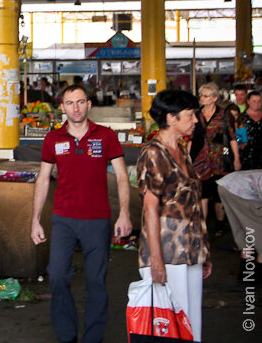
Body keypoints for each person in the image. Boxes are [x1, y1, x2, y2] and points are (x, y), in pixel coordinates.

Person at [31, 84, 132, 343]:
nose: (75, 107)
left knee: (96, 282)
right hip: (63, 219)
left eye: (80, 102)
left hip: (97, 219)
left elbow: (122, 177)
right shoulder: (53, 139)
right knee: (57, 275)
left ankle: (92, 338)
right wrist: (35, 220)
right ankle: (67, 336)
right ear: (62, 107)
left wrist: (124, 214)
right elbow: (43, 179)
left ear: (89, 105)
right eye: (70, 103)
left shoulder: (106, 136)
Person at [137, 89, 211, 341]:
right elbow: (150, 208)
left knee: (191, 320)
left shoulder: (182, 151)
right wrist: (155, 259)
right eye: (190, 115)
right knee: (170, 322)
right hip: (167, 249)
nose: (195, 120)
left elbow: (192, 204)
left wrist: (204, 251)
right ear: (171, 118)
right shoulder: (154, 153)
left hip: (190, 247)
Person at [191, 83, 241, 228]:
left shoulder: (225, 114)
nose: (202, 98)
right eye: (201, 95)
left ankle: (220, 224)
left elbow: (232, 137)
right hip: (201, 159)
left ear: (214, 98)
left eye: (206, 96)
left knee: (220, 194)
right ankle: (202, 227)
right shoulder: (196, 115)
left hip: (220, 159)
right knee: (203, 193)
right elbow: (190, 138)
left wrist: (236, 158)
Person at [241, 90, 262, 171]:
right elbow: (239, 138)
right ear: (248, 102)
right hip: (247, 156)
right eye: (254, 101)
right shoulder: (242, 117)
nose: (256, 104)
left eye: (259, 101)